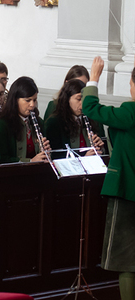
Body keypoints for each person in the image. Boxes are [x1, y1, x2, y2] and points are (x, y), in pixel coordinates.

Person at [82, 56, 135, 300]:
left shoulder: (130, 111)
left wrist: (94, 78)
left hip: (127, 191)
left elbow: (90, 108)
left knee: (126, 259)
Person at [0, 76, 50, 163]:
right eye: (27, 100)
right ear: (15, 100)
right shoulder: (0, 124)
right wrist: (30, 161)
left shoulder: (38, 122)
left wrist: (46, 153)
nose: (32, 105)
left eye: (34, 100)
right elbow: (1, 158)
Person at [45, 79, 104, 159]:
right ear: (67, 100)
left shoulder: (93, 119)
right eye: (79, 99)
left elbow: (105, 152)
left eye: (84, 99)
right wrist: (83, 159)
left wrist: (100, 148)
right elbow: (56, 156)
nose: (83, 103)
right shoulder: (55, 123)